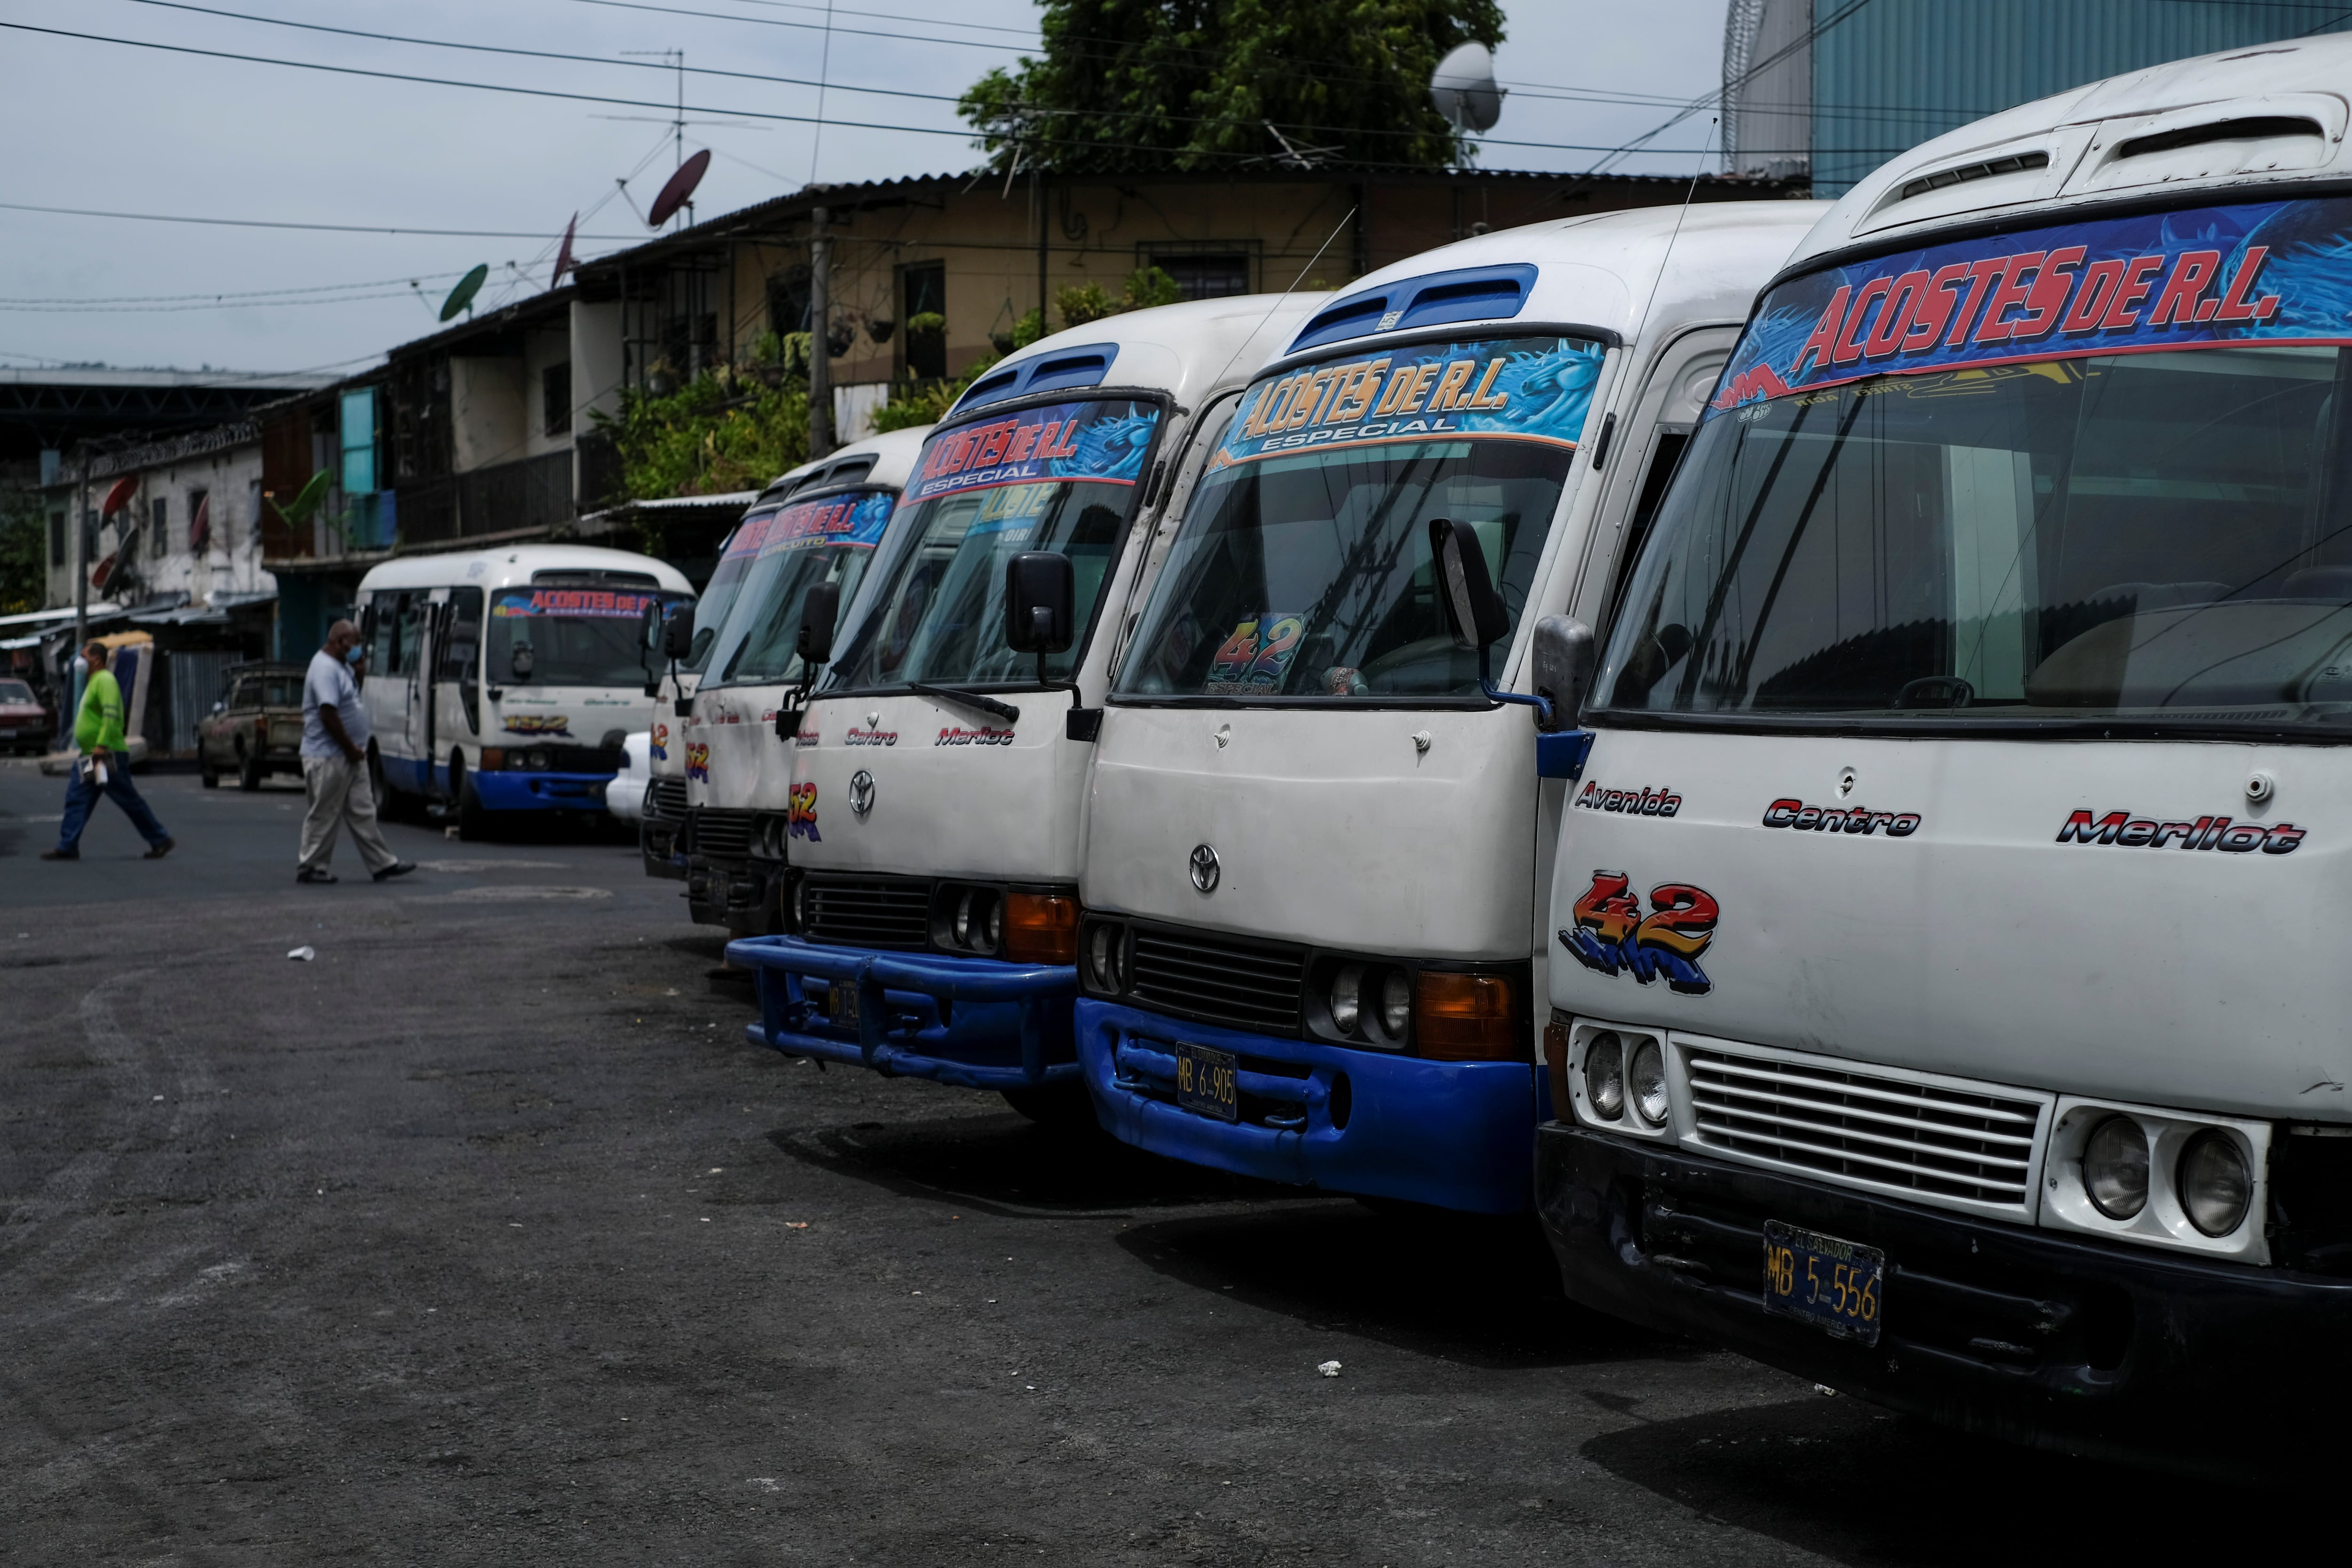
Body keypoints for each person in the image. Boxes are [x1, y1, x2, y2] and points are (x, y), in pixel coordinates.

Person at [298, 619, 414, 885]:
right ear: (340, 642)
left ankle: (382, 863)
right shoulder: (324, 669)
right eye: (355, 643)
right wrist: (349, 747)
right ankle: (311, 865)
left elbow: (349, 700)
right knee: (324, 812)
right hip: (330, 755)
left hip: (350, 754)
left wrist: (359, 673)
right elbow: (328, 713)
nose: (358, 649)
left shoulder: (341, 667)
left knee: (363, 811)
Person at [41, 640, 174, 861]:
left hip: (105, 754)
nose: (78, 662)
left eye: (83, 656)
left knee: (127, 799)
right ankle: (68, 845)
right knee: (78, 797)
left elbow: (111, 716)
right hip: (91, 755)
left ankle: (160, 839)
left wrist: (101, 746)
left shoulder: (105, 680)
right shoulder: (93, 682)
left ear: (96, 660)